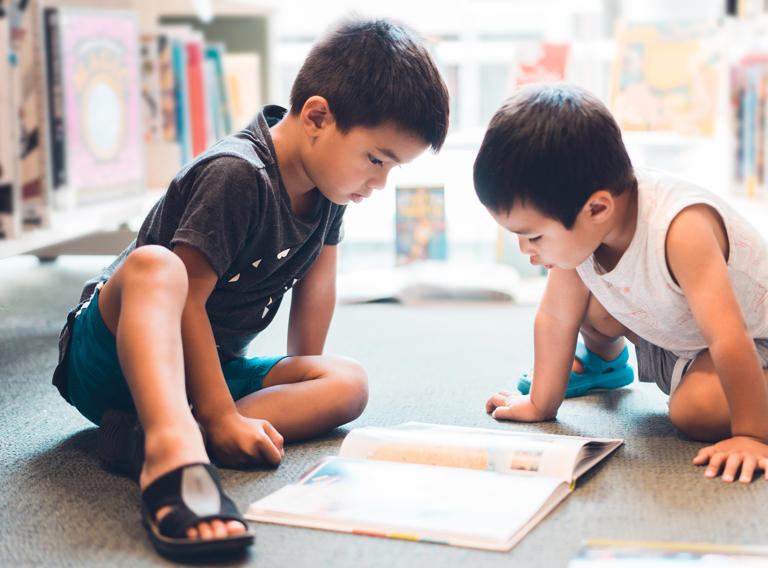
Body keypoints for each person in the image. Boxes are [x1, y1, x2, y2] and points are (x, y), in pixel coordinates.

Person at [52, 17, 449, 559]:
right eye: (376, 159)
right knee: (157, 267)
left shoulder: (330, 190)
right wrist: (220, 414)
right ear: (316, 116)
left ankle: (145, 434)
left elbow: (318, 283)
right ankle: (175, 448)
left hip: (203, 366)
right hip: (113, 352)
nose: (378, 182)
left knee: (346, 381)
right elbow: (186, 300)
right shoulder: (237, 174)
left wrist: (304, 374)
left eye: (391, 167)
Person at [473, 83, 768, 483]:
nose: (526, 250)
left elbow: (729, 338)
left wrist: (751, 435)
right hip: (676, 335)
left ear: (597, 207)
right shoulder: (586, 227)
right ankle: (604, 362)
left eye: (534, 235)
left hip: (750, 344)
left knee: (692, 412)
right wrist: (541, 403)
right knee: (583, 299)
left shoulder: (681, 230)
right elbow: (556, 319)